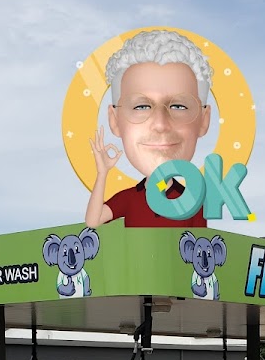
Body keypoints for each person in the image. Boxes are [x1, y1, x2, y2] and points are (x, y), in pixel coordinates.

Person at [86, 30, 214, 229]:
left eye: (178, 106)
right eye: (141, 107)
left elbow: (201, 245)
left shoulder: (192, 203)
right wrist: (102, 173)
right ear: (115, 120)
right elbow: (93, 222)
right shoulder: (129, 198)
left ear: (203, 120)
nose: (160, 125)